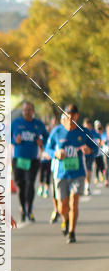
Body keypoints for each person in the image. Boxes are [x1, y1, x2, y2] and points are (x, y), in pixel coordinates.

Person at [44, 104, 92, 244]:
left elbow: (94, 147)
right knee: (62, 206)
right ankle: (65, 219)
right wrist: (56, 153)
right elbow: (48, 148)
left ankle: (72, 232)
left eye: (73, 115)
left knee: (74, 202)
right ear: (64, 115)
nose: (70, 118)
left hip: (78, 173)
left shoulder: (83, 132)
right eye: (68, 115)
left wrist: (89, 150)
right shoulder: (57, 131)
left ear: (77, 116)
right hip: (61, 173)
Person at [11, 101, 47, 222]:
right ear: (22, 111)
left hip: (33, 159)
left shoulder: (38, 124)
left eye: (30, 110)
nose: (27, 112)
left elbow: (47, 138)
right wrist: (15, 140)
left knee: (30, 183)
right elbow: (6, 137)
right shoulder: (16, 123)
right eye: (25, 110)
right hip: (18, 159)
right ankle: (22, 208)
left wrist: (41, 142)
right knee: (20, 185)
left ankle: (30, 210)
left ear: (33, 111)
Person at [82, 117, 99, 196]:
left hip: (90, 155)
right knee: (82, 172)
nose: (87, 127)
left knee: (88, 170)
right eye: (86, 126)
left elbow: (96, 147)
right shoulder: (80, 132)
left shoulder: (94, 134)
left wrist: (91, 151)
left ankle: (87, 186)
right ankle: (82, 186)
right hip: (81, 156)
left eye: (89, 125)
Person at [93, 120, 106, 185]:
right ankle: (96, 177)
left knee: (102, 165)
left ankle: (102, 175)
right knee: (96, 166)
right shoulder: (93, 133)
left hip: (101, 152)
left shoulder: (102, 133)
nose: (98, 128)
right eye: (97, 126)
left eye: (99, 126)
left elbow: (103, 140)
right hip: (96, 153)